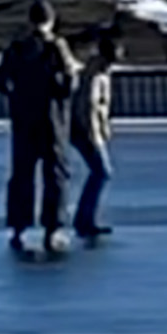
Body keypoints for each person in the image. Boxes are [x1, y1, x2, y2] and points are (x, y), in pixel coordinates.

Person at [0, 0, 80, 253]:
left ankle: (18, 228)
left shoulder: (17, 48)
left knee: (22, 176)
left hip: (24, 121)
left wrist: (16, 95)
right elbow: (69, 84)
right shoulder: (56, 47)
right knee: (56, 176)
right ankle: (53, 230)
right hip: (51, 122)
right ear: (51, 21)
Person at [71, 35, 120, 239]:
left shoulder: (99, 72)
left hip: (86, 129)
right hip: (86, 130)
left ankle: (85, 218)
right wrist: (95, 134)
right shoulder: (95, 74)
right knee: (102, 171)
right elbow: (89, 107)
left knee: (99, 172)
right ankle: (84, 219)